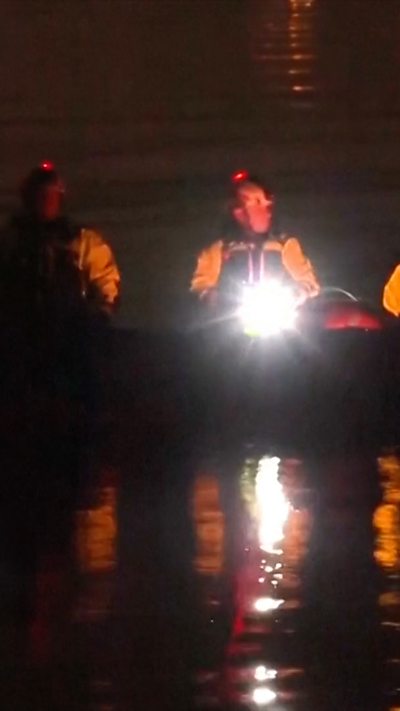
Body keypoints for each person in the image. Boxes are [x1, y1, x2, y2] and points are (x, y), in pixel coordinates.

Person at [0, 162, 121, 413]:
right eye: (39, 194)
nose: (44, 200)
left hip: (69, 335)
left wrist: (101, 313)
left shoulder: (82, 240)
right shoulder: (10, 240)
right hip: (21, 336)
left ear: (59, 197)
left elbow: (106, 280)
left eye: (50, 194)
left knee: (80, 399)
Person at [190, 171, 319, 307]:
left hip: (278, 313)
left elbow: (308, 282)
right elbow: (200, 284)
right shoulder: (220, 248)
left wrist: (298, 293)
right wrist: (212, 297)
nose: (244, 213)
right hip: (232, 316)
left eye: (255, 205)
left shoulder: (284, 245)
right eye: (239, 207)